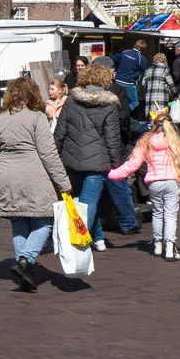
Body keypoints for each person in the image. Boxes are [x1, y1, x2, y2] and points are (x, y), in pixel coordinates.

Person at [0, 76, 72, 292]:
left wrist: (4, 166)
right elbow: (48, 153)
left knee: (19, 221)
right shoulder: (36, 117)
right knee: (44, 220)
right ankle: (26, 260)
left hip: (8, 177)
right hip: (34, 175)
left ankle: (25, 271)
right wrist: (64, 183)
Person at [108, 108, 180, 259]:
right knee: (170, 215)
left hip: (154, 182)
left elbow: (132, 164)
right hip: (172, 181)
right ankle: (170, 246)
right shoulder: (177, 142)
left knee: (157, 213)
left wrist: (113, 174)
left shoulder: (146, 141)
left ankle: (157, 244)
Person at [53, 62, 125, 244]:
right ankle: (79, 239)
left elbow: (60, 132)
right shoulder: (110, 104)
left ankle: (96, 238)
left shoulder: (71, 100)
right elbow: (112, 138)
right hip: (97, 161)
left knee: (78, 200)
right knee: (89, 201)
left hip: (71, 157)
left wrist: (55, 156)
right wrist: (117, 164)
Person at [137, 55, 176, 136]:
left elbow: (143, 84)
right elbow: (171, 84)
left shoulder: (147, 70)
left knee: (152, 117)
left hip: (150, 98)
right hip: (161, 98)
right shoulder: (165, 70)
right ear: (164, 61)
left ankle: (152, 135)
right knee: (161, 118)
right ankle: (161, 136)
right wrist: (176, 93)